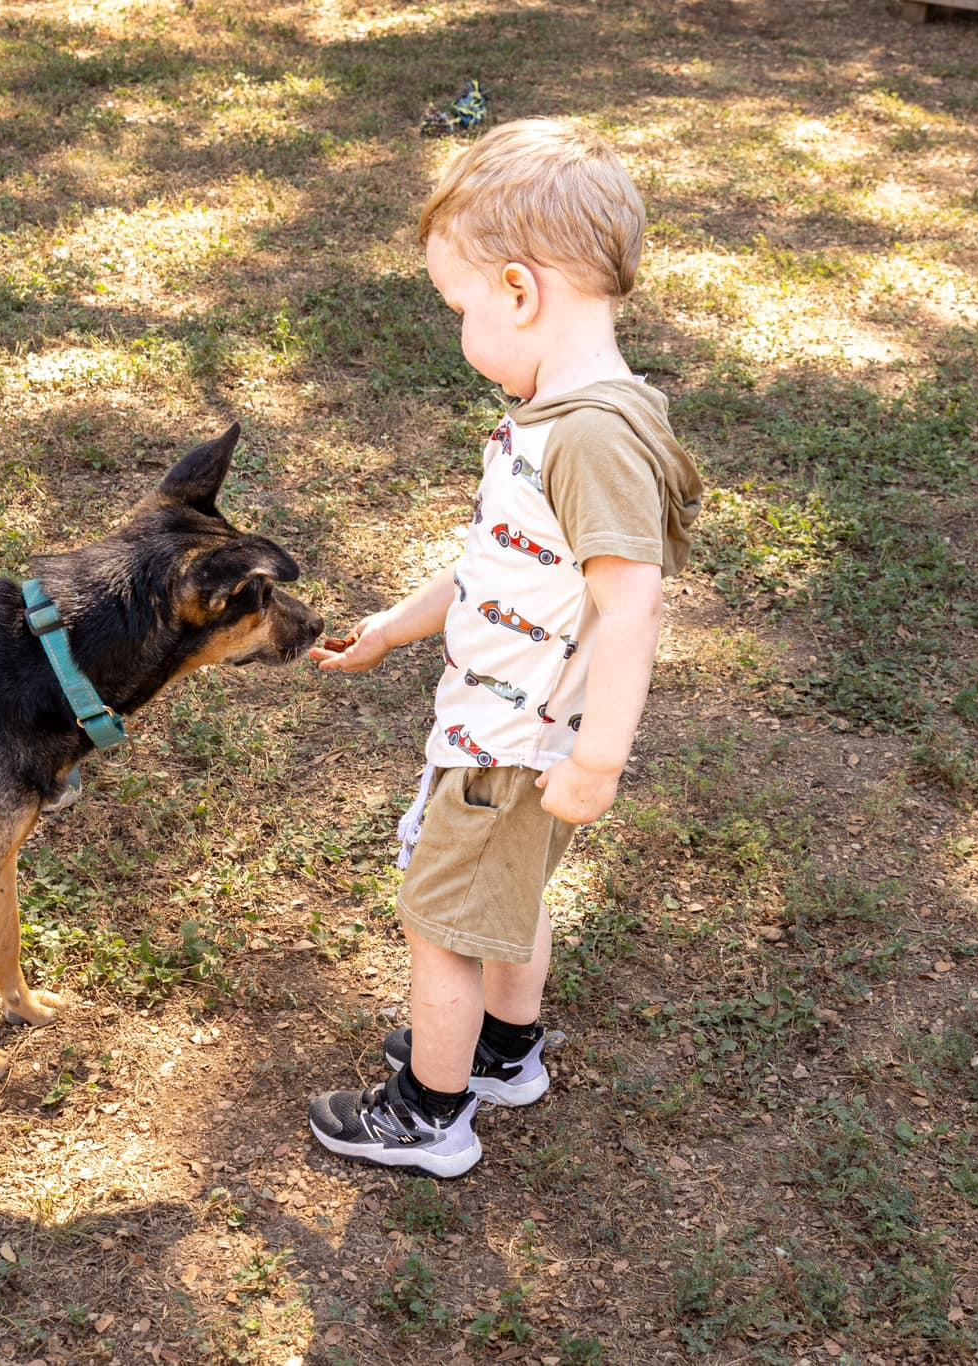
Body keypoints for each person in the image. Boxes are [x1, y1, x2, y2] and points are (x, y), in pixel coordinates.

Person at [304, 119, 703, 1178]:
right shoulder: (565, 416)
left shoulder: (587, 437)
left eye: (460, 308)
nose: (460, 330)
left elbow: (633, 607)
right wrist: (395, 627)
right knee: (507, 899)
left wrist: (598, 762)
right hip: (522, 738)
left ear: (519, 292)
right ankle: (503, 1051)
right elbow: (500, 563)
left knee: (439, 924)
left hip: (512, 746)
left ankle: (428, 1115)